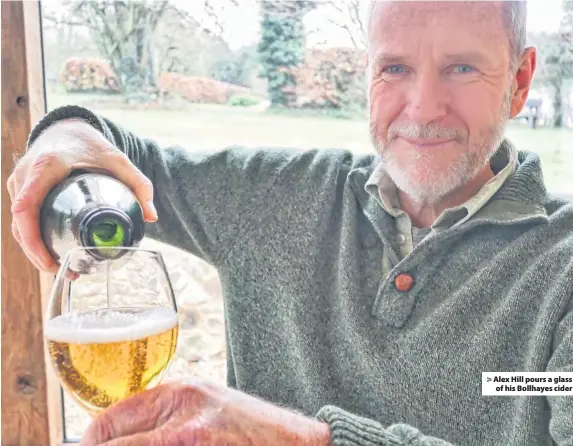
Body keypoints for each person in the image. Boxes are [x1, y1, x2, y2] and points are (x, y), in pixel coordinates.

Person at [7, 1, 573, 445]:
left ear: (520, 82)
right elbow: (119, 152)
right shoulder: (277, 195)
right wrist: (63, 136)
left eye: (462, 68)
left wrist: (301, 439)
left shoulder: (561, 265)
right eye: (395, 68)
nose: (423, 106)